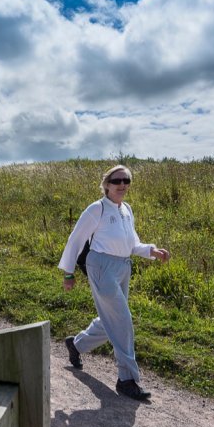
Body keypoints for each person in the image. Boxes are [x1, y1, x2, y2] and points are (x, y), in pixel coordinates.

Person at [58, 165, 170, 401]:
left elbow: (132, 244)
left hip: (122, 267)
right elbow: (76, 239)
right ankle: (126, 379)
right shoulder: (96, 209)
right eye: (117, 180)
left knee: (111, 319)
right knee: (122, 319)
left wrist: (152, 251)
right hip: (100, 266)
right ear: (107, 184)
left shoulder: (126, 210)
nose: (122, 185)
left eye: (126, 181)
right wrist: (68, 273)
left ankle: (76, 345)